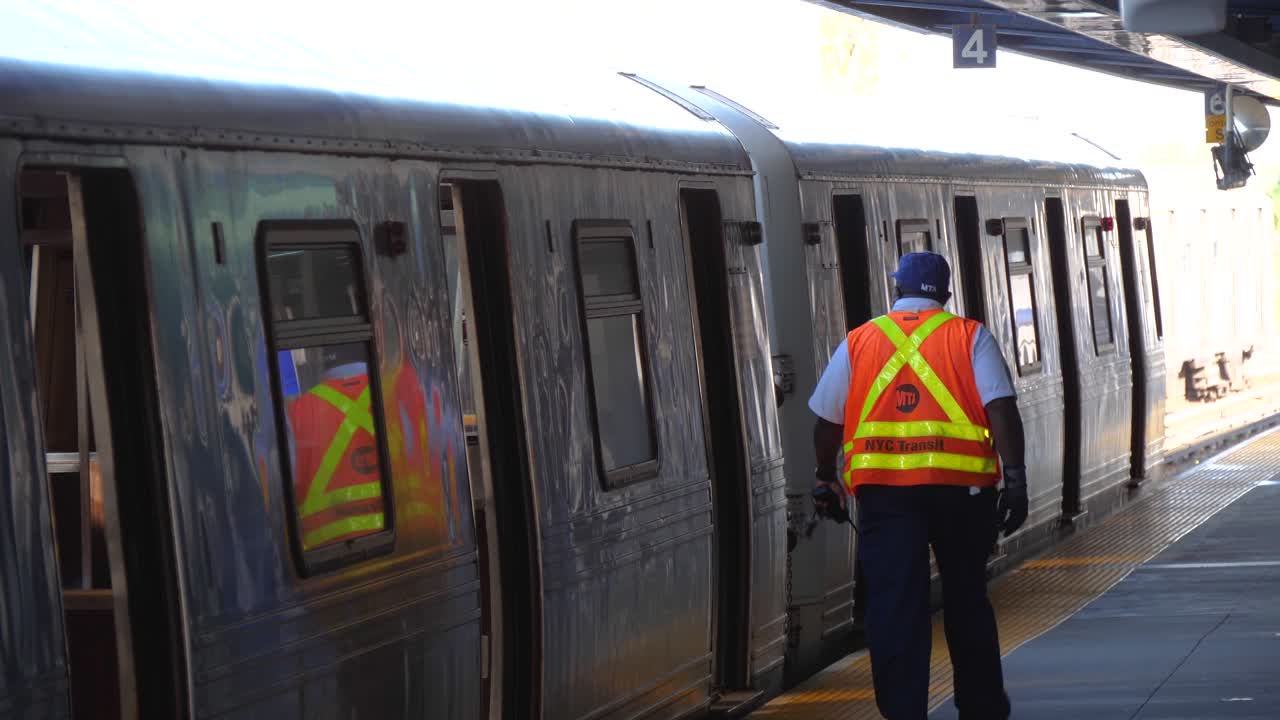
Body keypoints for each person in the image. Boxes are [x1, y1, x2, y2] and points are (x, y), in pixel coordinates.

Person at [808, 252, 1028, 720]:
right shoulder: (971, 336)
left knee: (894, 607)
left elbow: (827, 421)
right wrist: (1015, 480)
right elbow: (1002, 409)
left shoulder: (860, 341)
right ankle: (982, 707)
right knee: (966, 599)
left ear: (897, 290)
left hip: (885, 497)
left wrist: (825, 475)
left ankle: (905, 711)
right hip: (963, 495)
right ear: (944, 294)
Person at [286, 344, 388, 551]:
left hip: (329, 564)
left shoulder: (295, 412)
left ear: (319, 356)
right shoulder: (391, 393)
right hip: (401, 553)